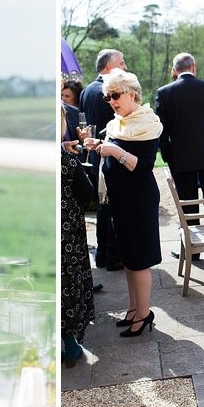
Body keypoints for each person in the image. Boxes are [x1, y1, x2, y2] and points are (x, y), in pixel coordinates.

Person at [83, 68, 162, 337]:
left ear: (131, 93)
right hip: (120, 200)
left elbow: (143, 167)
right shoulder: (119, 122)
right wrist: (97, 143)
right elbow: (112, 143)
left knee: (139, 260)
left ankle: (144, 314)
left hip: (138, 199)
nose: (111, 102)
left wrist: (115, 151)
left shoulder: (146, 122)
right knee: (128, 258)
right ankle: (133, 309)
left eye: (115, 95)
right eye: (107, 97)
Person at [155, 52, 204, 225]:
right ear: (193, 67)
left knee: (188, 208)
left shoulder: (164, 93)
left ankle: (191, 250)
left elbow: (161, 131)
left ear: (174, 70)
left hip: (181, 160)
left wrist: (169, 156)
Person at [79, 49, 126, 271]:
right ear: (109, 67)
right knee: (112, 207)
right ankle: (112, 256)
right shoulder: (111, 92)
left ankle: (102, 255)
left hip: (95, 155)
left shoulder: (86, 90)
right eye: (121, 63)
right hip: (108, 153)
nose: (124, 67)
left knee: (102, 206)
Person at [60, 104, 96, 367]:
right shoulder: (67, 161)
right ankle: (70, 344)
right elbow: (88, 195)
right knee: (69, 283)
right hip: (67, 233)